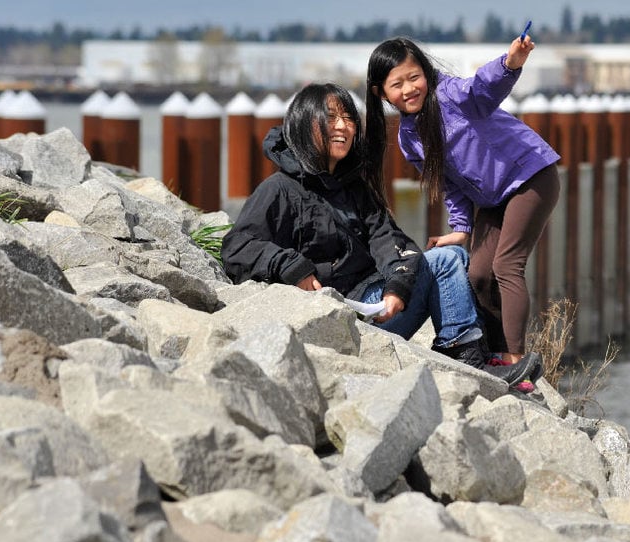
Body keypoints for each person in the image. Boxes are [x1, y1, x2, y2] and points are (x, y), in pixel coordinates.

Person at [221, 82, 541, 388]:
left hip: (375, 310)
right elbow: (237, 246)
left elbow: (389, 239)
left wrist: (398, 284)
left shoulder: (354, 188)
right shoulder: (279, 189)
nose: (343, 126)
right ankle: (465, 358)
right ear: (304, 123)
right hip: (333, 321)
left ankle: (466, 354)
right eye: (331, 117)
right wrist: (291, 267)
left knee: (451, 256)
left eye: (348, 118)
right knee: (447, 259)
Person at [365, 35, 560, 370]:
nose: (409, 89)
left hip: (530, 175)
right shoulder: (408, 139)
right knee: (479, 273)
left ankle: (517, 358)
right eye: (396, 84)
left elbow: (483, 87)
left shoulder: (451, 95)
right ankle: (498, 355)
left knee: (506, 266)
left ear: (425, 73)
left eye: (414, 77)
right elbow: (450, 184)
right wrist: (461, 228)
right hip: (494, 198)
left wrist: (509, 62)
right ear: (381, 93)